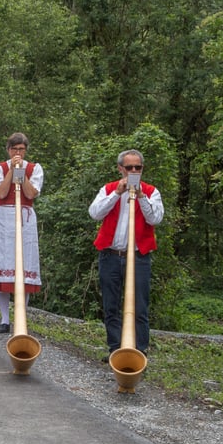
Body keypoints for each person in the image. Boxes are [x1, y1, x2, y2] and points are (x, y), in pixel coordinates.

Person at [88, 149, 164, 362]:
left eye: (137, 168)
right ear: (120, 168)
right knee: (111, 305)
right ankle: (115, 349)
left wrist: (140, 196)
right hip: (110, 255)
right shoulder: (109, 188)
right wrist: (116, 194)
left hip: (139, 257)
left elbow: (155, 219)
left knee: (140, 306)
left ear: (142, 169)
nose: (133, 171)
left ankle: (139, 352)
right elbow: (95, 213)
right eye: (128, 167)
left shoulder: (151, 191)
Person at [0, 133, 43, 333]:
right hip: (3, 219)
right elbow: (0, 192)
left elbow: (32, 193)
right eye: (14, 149)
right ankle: (4, 319)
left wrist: (22, 173)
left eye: (21, 149)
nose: (18, 153)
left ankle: (21, 317)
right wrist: (11, 172)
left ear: (25, 150)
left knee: (23, 268)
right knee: (3, 265)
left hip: (24, 219)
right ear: (8, 150)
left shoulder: (35, 168)